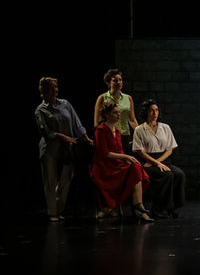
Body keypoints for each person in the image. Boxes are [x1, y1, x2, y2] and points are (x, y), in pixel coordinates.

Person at [34, 77, 93, 222]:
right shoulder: (41, 110)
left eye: (56, 87)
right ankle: (52, 212)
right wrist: (65, 137)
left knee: (66, 178)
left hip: (68, 148)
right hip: (50, 148)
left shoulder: (65, 104)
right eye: (51, 87)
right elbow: (47, 132)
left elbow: (77, 123)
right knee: (51, 180)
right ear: (44, 90)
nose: (55, 90)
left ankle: (59, 208)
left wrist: (85, 137)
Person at [91, 101, 152, 221]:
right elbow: (105, 153)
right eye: (115, 113)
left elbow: (119, 151)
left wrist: (127, 160)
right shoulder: (101, 130)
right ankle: (138, 208)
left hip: (116, 163)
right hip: (104, 165)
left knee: (136, 166)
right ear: (107, 114)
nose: (118, 115)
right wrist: (126, 157)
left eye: (119, 112)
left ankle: (138, 205)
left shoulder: (117, 131)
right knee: (133, 165)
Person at [132, 99, 186, 218]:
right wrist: (154, 163)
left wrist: (158, 162)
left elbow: (170, 149)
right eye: (151, 110)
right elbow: (140, 152)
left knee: (179, 174)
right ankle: (158, 209)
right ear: (146, 112)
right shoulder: (139, 129)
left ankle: (172, 207)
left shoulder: (165, 127)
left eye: (156, 110)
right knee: (167, 175)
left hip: (163, 160)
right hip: (147, 161)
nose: (154, 113)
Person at [94, 69, 138, 150]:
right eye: (115, 80)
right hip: (109, 134)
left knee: (124, 156)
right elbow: (97, 122)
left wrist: (140, 132)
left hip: (124, 135)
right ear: (109, 83)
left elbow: (132, 119)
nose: (118, 82)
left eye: (120, 80)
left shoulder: (128, 98)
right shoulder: (102, 98)